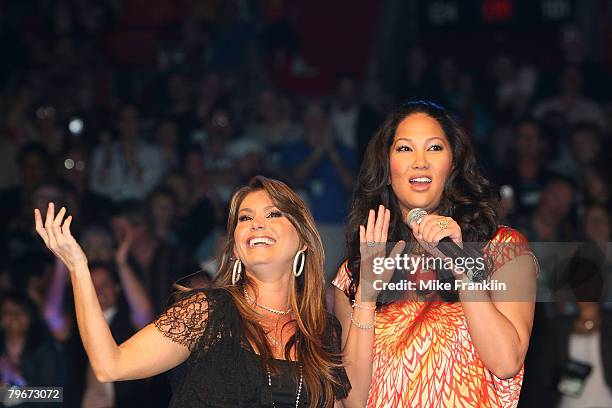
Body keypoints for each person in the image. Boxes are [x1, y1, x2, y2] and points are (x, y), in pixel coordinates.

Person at [34, 175, 350, 407]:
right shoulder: (206, 311)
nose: (256, 224)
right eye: (245, 218)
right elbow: (109, 364)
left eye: (273, 214)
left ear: (303, 240)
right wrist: (77, 266)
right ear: (236, 249)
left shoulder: (321, 331)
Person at [333, 101, 537, 407]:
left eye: (434, 148)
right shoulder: (354, 272)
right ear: (387, 170)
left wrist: (462, 266)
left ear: (452, 166)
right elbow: (353, 401)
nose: (420, 162)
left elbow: (506, 362)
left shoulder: (502, 248)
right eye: (404, 149)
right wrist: (366, 296)